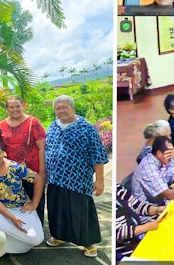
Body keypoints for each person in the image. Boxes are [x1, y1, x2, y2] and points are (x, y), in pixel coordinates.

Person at [44, 95, 108, 257]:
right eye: (57, 108)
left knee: (80, 211)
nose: (61, 111)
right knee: (57, 209)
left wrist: (100, 180)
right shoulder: (53, 126)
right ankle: (59, 236)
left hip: (77, 179)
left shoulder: (86, 128)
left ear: (73, 108)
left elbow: (98, 155)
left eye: (64, 107)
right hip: (55, 179)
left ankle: (88, 242)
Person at [0, 142, 44, 254]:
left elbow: (38, 180)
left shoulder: (14, 167)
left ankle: (10, 246)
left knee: (37, 239)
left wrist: (34, 204)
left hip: (21, 206)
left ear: (4, 153)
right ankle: (10, 246)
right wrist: (12, 218)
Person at [0, 96, 48, 224]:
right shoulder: (2, 125)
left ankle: (37, 230)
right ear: (7, 108)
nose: (15, 110)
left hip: (33, 169)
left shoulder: (33, 122)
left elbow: (42, 147)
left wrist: (42, 171)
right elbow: (0, 148)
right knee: (17, 202)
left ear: (23, 106)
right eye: (11, 107)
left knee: (35, 200)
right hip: (13, 172)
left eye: (17, 106)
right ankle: (22, 230)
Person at [116, 184, 165, 261]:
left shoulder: (118, 189)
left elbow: (137, 206)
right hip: (123, 249)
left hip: (139, 237)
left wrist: (156, 210)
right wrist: (146, 227)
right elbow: (118, 232)